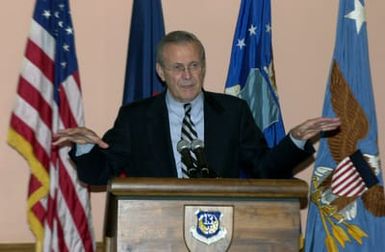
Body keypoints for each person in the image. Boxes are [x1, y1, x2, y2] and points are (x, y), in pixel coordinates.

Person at [53, 30, 341, 185]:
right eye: (177, 68)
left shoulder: (233, 112)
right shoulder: (135, 117)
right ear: (160, 72)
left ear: (203, 67)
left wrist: (296, 139)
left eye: (194, 65)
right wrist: (85, 149)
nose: (187, 75)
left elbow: (264, 170)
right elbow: (97, 175)